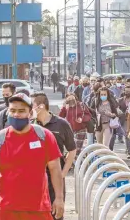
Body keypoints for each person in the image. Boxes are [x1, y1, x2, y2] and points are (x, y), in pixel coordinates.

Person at [0, 93, 65, 220]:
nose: (16, 114)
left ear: (30, 113)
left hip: (39, 209)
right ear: (7, 112)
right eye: (12, 110)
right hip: (7, 210)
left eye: (21, 111)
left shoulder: (45, 137)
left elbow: (55, 169)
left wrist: (59, 198)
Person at [30, 92, 76, 220]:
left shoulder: (61, 124)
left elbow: (72, 150)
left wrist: (63, 173)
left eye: (31, 105)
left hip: (55, 176)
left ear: (41, 106)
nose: (29, 109)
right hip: (35, 177)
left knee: (55, 212)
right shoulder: (29, 126)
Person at [111, 85, 130, 157]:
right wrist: (120, 112)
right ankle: (129, 152)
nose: (127, 93)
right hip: (123, 120)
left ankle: (129, 150)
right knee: (126, 135)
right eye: (126, 91)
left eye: (129, 91)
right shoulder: (120, 100)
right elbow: (116, 108)